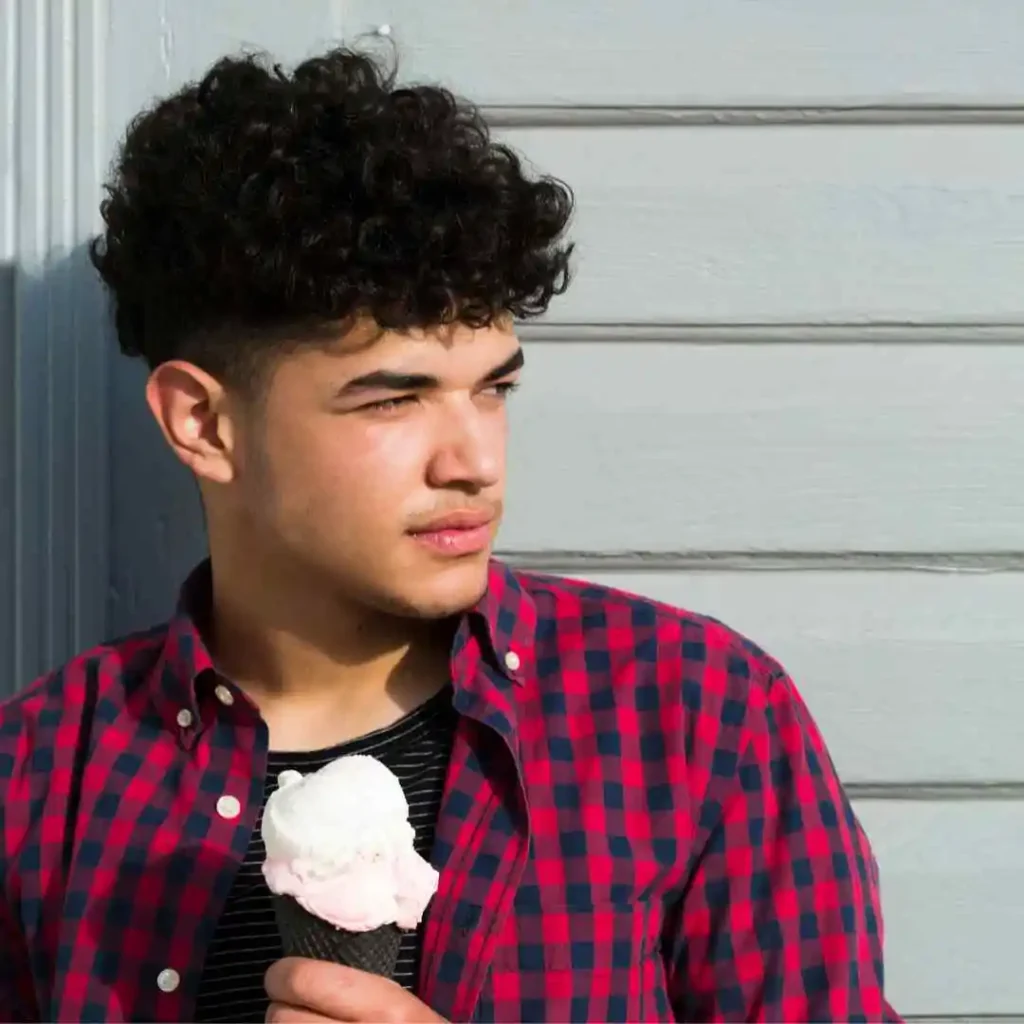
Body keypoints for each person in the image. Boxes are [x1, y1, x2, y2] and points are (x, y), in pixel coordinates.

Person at [0, 46, 901, 1023]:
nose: (472, 460)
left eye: (492, 388)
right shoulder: (41, 777)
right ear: (204, 425)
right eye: (393, 400)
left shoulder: (692, 718)